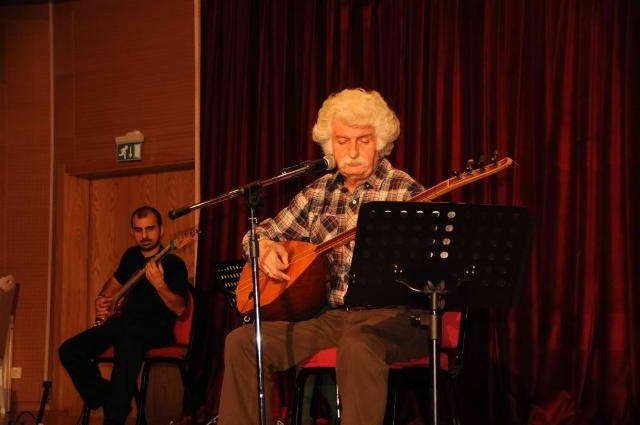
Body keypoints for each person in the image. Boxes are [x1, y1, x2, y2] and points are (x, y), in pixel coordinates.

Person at [218, 88, 432, 425]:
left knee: (358, 344)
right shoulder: (318, 193)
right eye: (342, 141)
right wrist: (265, 249)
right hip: (331, 318)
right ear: (329, 146)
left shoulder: (404, 190)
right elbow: (257, 235)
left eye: (363, 140)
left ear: (380, 142)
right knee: (244, 342)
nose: (353, 151)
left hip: (394, 317)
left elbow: (432, 263)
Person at [59, 206, 190, 425]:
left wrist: (160, 285)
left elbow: (179, 308)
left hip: (156, 329)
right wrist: (102, 300)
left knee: (128, 340)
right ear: (132, 232)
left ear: (161, 230)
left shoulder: (174, 264)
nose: (144, 235)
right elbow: (112, 286)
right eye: (139, 230)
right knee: (69, 350)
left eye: (150, 229)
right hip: (124, 324)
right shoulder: (130, 256)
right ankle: (112, 399)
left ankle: (114, 417)